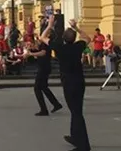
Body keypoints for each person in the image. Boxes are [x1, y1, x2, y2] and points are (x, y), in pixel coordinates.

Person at [40, 15, 91, 151]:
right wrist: (76, 28)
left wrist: (50, 26)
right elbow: (88, 38)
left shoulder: (60, 48)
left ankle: (84, 146)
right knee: (76, 110)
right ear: (74, 39)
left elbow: (42, 37)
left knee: (76, 113)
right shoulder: (78, 46)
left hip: (69, 83)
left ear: (63, 38)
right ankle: (75, 136)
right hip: (80, 82)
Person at [26, 35, 62, 116]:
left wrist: (31, 53)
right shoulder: (43, 44)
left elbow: (43, 53)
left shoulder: (45, 44)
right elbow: (40, 52)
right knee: (44, 87)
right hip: (44, 67)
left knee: (37, 88)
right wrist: (32, 49)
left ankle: (44, 110)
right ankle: (56, 104)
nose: (39, 37)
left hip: (44, 68)